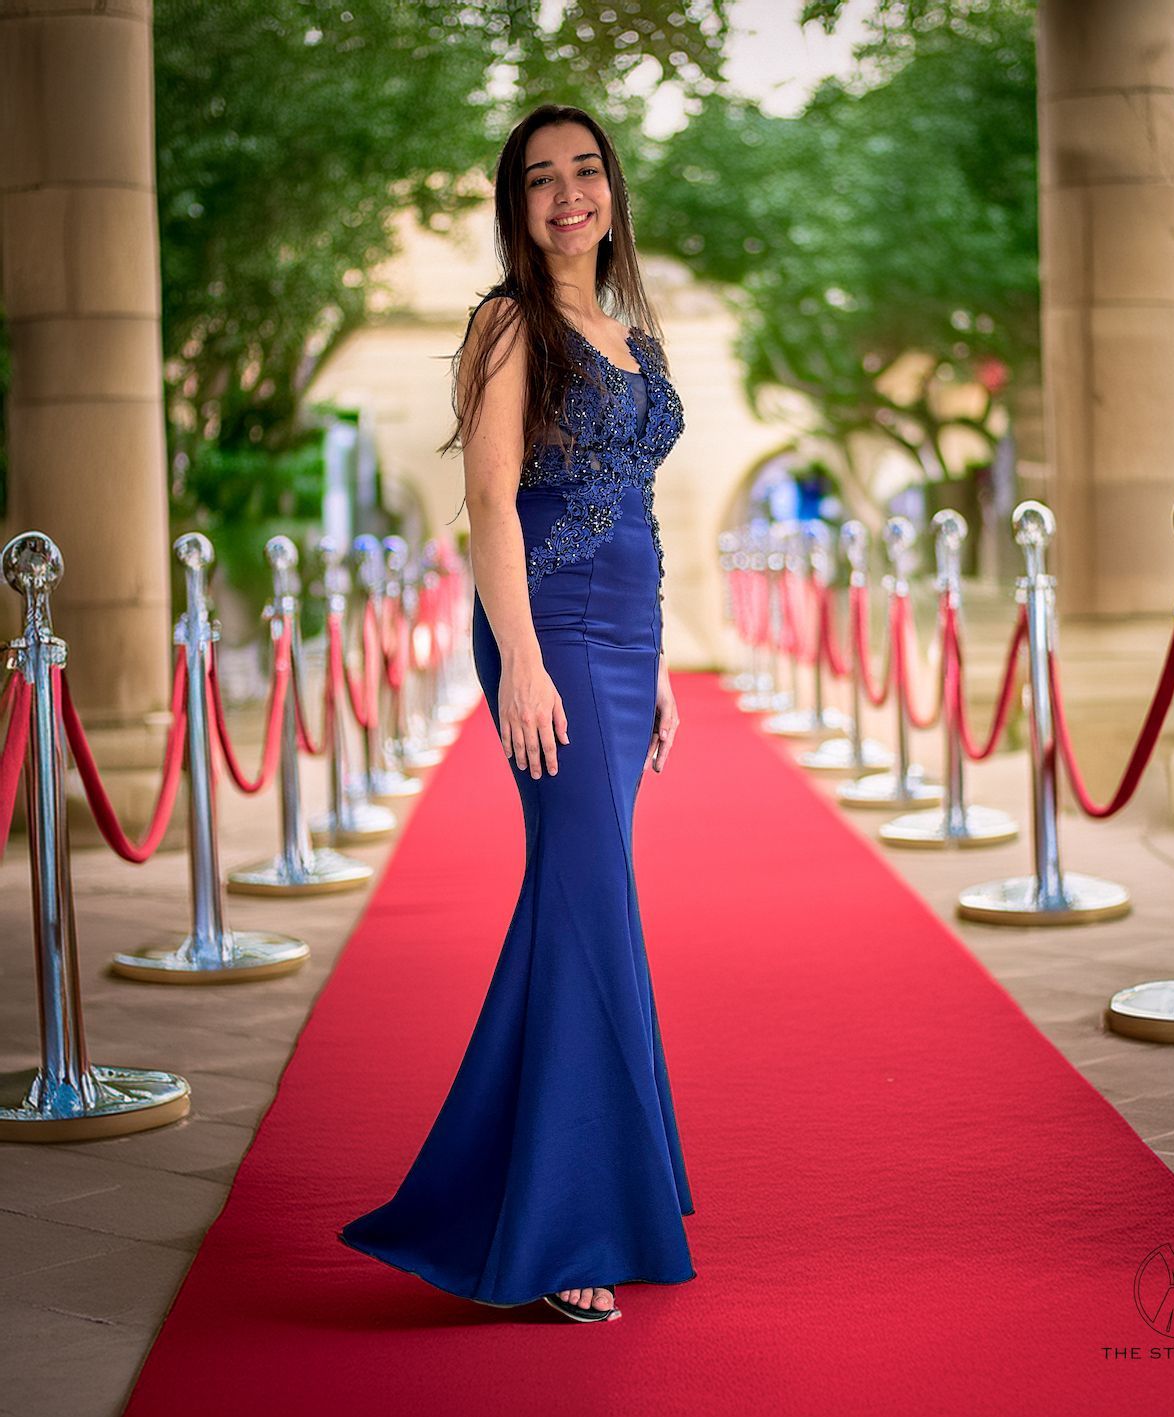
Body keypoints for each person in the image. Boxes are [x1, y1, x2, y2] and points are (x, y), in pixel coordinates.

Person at [339, 103, 695, 1325]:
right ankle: (564, 1220)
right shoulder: (508, 324)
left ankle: (596, 1180)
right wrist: (526, 667)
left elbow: (636, 509)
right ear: (516, 203)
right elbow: (491, 502)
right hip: (546, 633)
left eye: (585, 172)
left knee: (588, 900)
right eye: (540, 180)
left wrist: (658, 666)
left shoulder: (634, 338)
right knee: (582, 900)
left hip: (626, 633)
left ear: (612, 190)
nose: (567, 197)